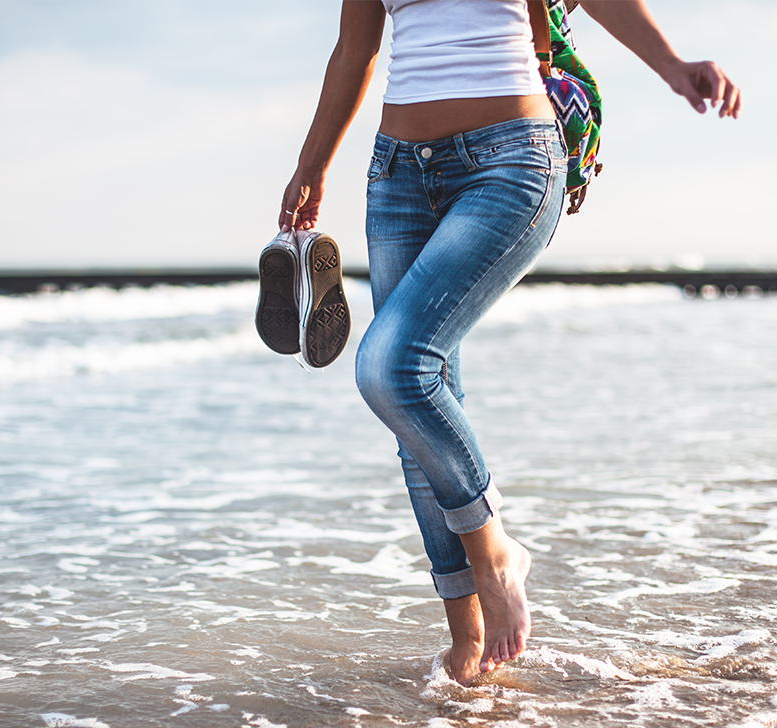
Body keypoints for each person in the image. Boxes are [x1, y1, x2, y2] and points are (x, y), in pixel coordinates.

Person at [278, 0, 741, 686]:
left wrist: (672, 66)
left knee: (390, 368)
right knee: (420, 413)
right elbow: (355, 50)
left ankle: (496, 555)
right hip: (398, 174)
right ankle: (467, 647)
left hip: (513, 160)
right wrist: (312, 166)